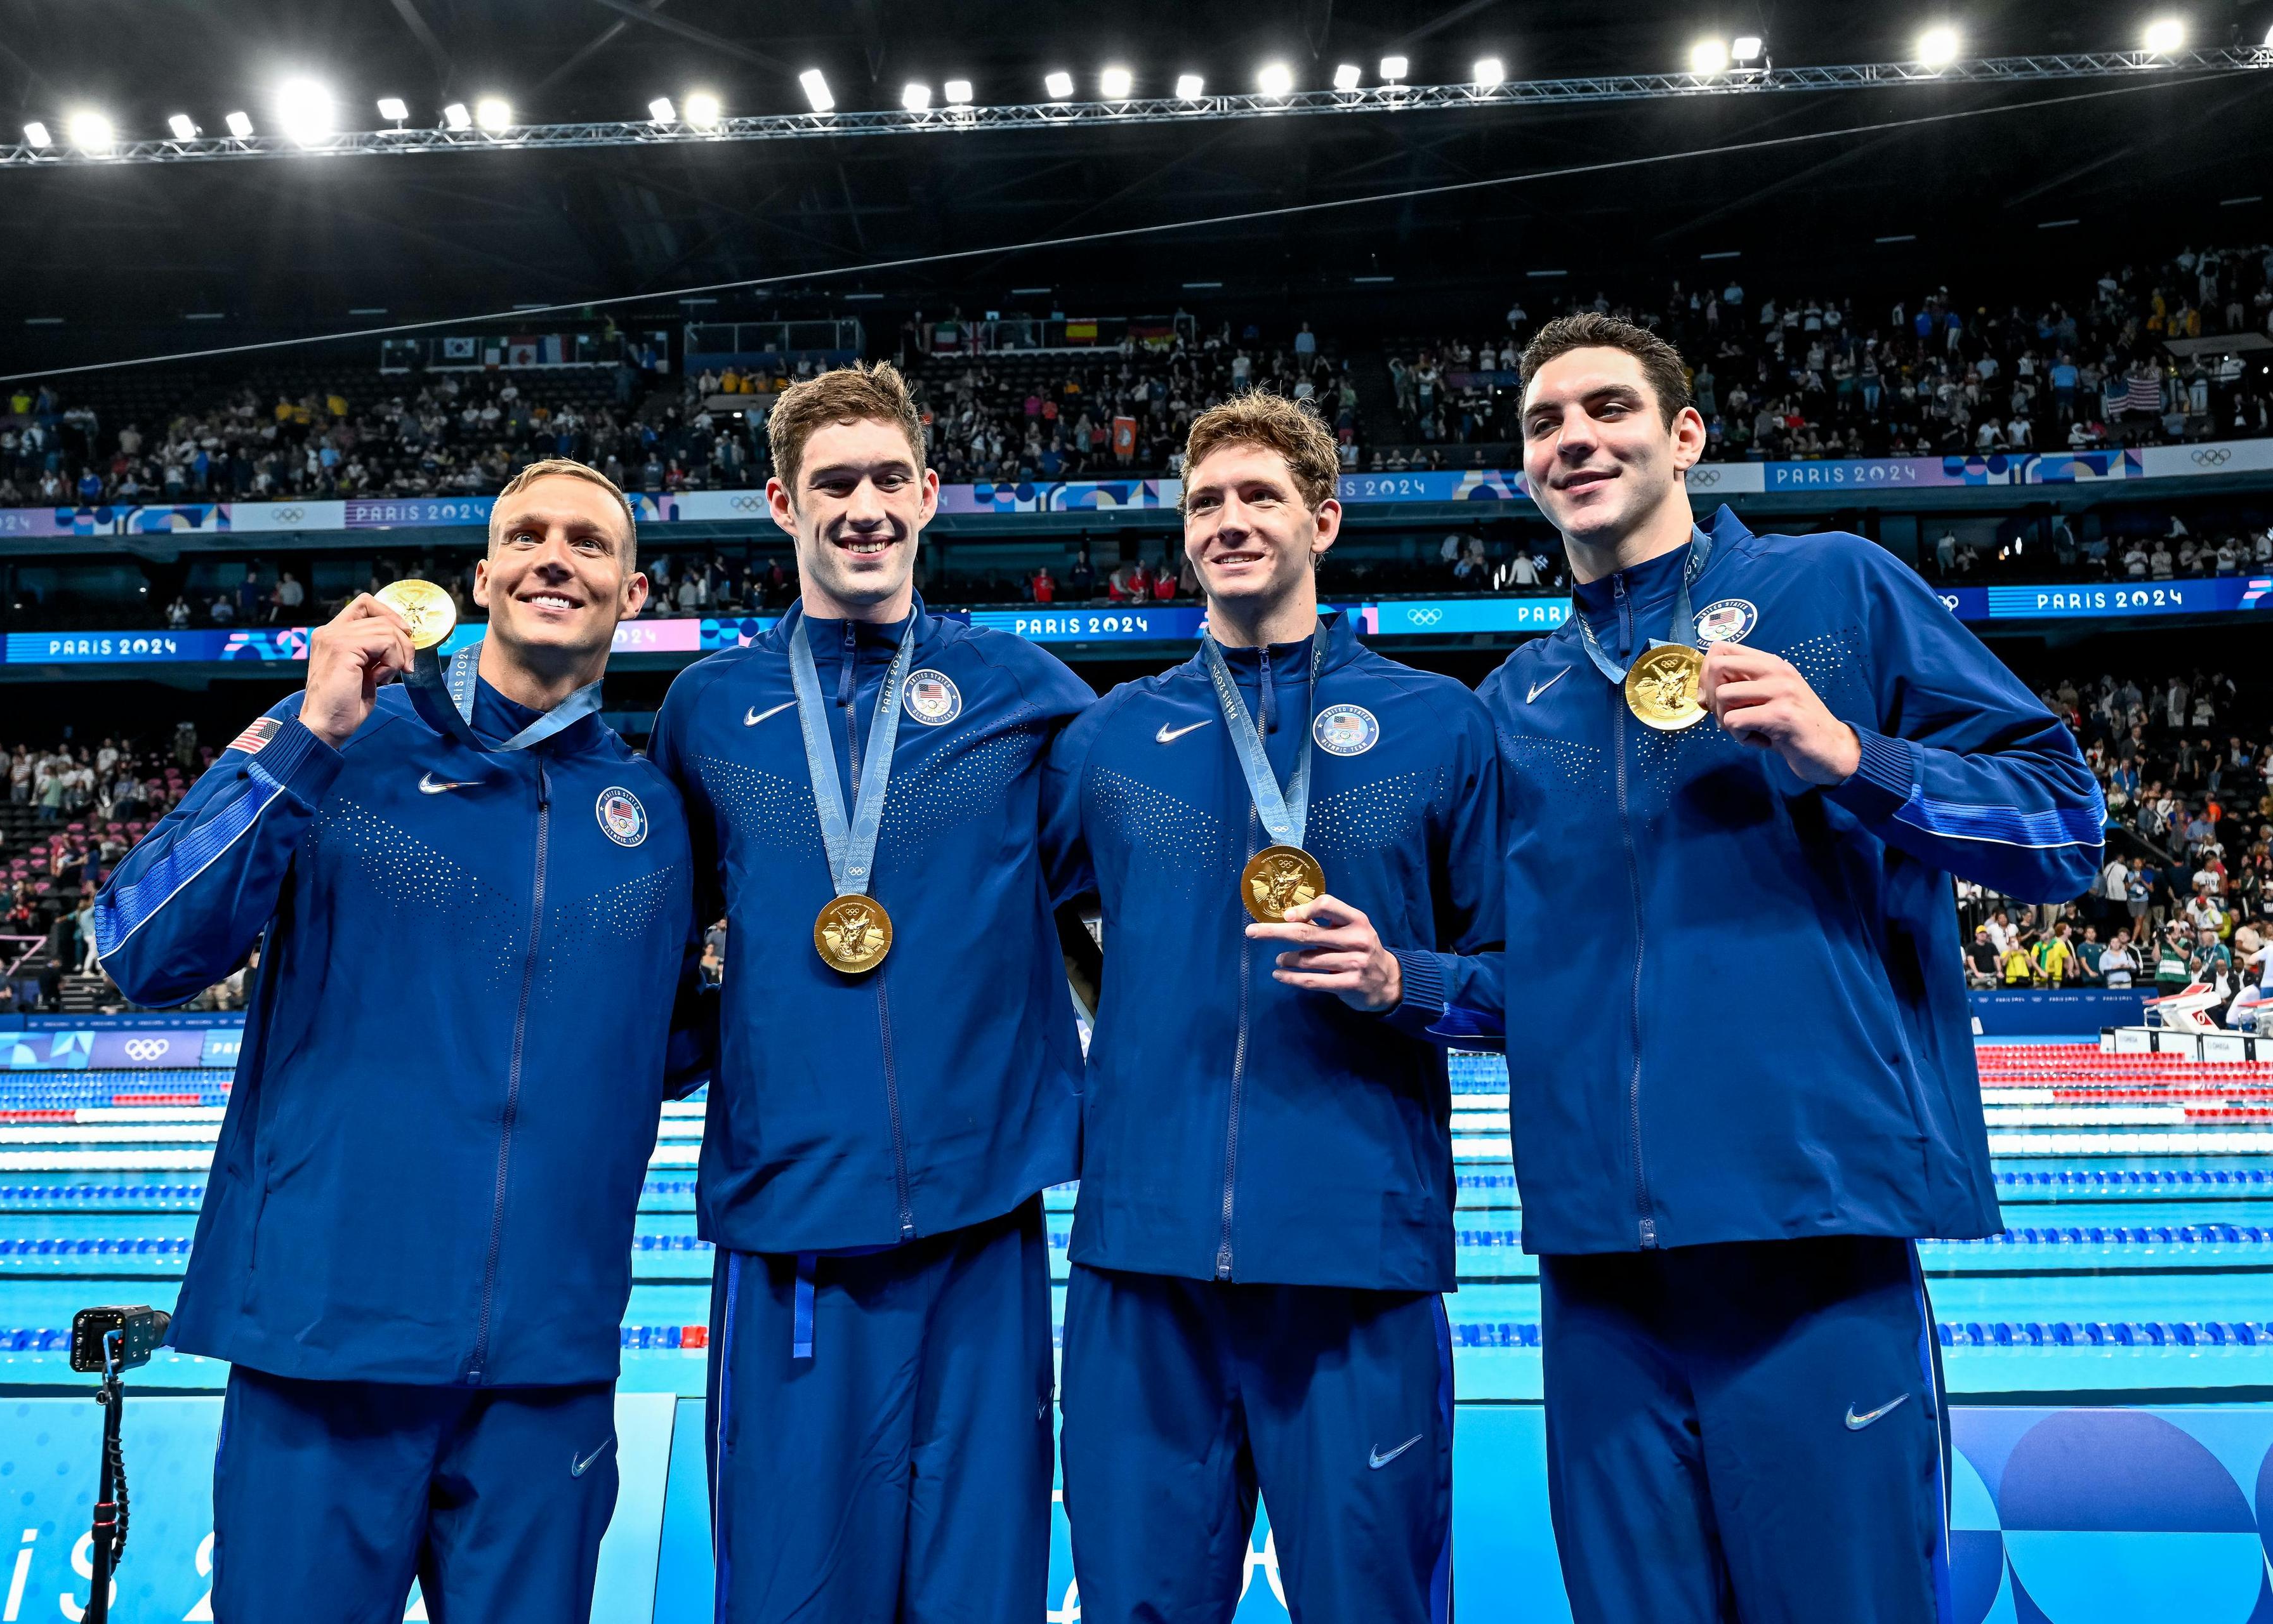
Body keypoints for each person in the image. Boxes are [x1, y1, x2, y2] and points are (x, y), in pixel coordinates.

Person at [1476, 313, 2102, 1624]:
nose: (1577, 439)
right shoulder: (1517, 696)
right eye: (1546, 423)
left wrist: (1851, 754)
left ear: (1685, 434)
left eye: (1608, 409)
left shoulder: (1842, 588)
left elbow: (2064, 824)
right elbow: (1513, 972)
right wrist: (1398, 981)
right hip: (1600, 1261)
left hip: (1809, 1237)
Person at [95, 457, 703, 1622]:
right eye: (527, 534)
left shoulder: (653, 819)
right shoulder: (343, 738)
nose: (555, 556)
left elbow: (658, 1048)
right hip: (326, 1348)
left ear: (633, 593)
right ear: (482, 578)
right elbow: (142, 949)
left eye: (590, 541)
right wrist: (311, 733)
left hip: (546, 1375)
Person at [1043, 393, 1503, 1620]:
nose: (1229, 520)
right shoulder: (1110, 738)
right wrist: (1108, 1001)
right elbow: (997, 921)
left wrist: (1412, 982)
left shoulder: (1438, 726)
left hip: (1357, 1262)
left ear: (1326, 519)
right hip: (1143, 1263)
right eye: (1205, 501)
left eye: (1260, 496)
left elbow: (1531, 978)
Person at [647, 363, 1093, 1623]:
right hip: (791, 1242)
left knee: (981, 1593)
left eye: (888, 477)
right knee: (794, 1599)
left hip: (981, 1228)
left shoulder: (1023, 690)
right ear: (782, 503)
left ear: (930, 493)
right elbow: (645, 945)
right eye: (833, 482)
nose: (864, 505)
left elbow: (1141, 864)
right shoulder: (708, 710)